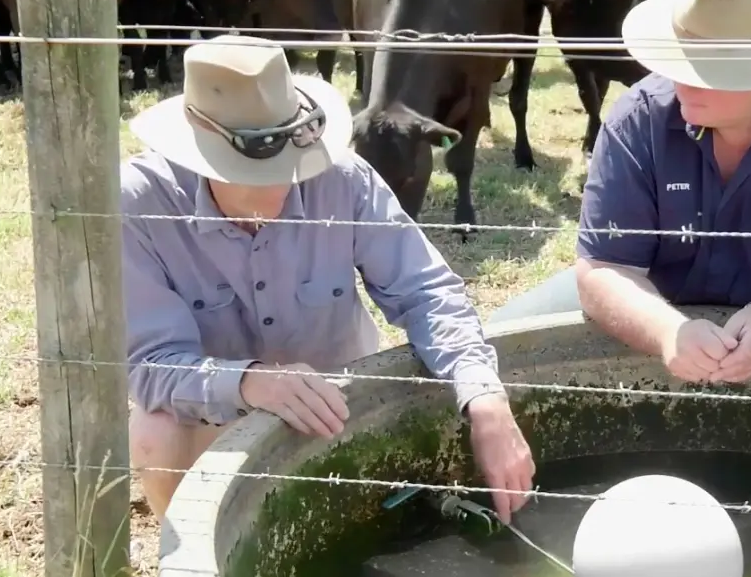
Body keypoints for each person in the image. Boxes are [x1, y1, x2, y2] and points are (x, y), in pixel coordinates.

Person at [122, 35, 534, 523]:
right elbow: (150, 365)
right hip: (218, 415)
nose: (281, 180)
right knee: (153, 431)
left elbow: (428, 292)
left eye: (288, 161)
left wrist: (484, 395)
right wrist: (250, 381)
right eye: (252, 167)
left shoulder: (345, 181)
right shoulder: (139, 206)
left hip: (340, 407)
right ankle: (196, 554)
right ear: (199, 152)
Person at [492, 0, 751, 386]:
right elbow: (603, 270)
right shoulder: (639, 118)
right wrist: (669, 331)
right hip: (654, 298)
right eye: (678, 57)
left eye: (704, 67)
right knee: (495, 347)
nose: (679, 80)